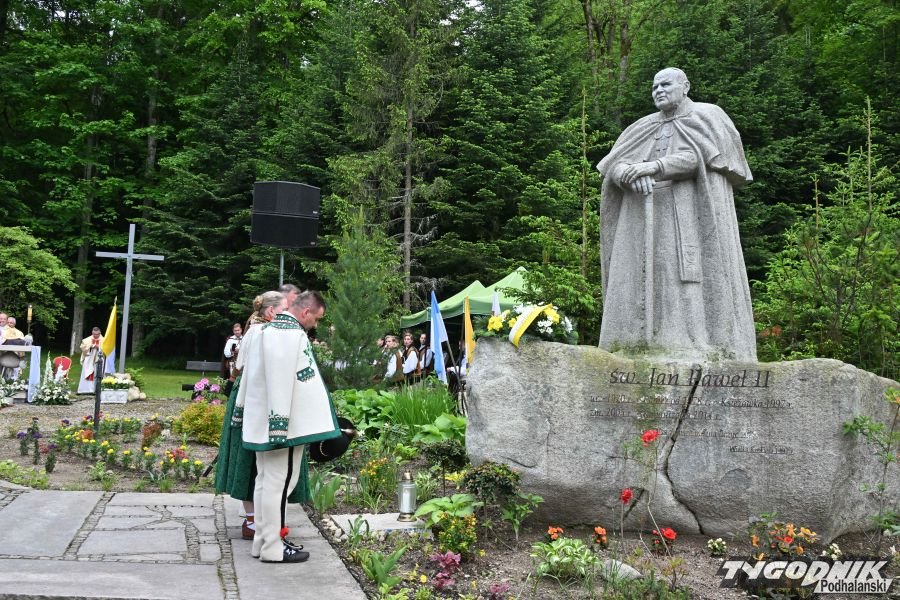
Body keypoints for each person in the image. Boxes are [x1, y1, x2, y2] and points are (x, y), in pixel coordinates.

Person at [595, 67, 756, 361]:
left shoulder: (708, 115)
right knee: (641, 274)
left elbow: (703, 156)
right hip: (639, 219)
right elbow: (613, 165)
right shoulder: (641, 126)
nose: (658, 90)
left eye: (666, 84)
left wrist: (653, 167)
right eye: (654, 86)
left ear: (686, 86)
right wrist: (628, 176)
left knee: (681, 274)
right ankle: (632, 343)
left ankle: (688, 344)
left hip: (684, 214)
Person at [241, 291, 340, 563]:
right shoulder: (289, 335)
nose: (315, 325)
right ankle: (274, 546)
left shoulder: (264, 331)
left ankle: (262, 542)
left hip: (264, 421)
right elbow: (280, 381)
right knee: (279, 484)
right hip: (284, 427)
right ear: (306, 312)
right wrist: (279, 426)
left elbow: (249, 376)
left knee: (265, 482)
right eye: (316, 319)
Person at [215, 292, 291, 542]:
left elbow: (239, 367)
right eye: (284, 310)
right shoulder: (263, 333)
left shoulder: (254, 331)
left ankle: (253, 518)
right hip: (255, 396)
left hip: (247, 392)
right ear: (271, 312)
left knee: (252, 456)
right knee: (254, 456)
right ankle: (255, 520)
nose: (288, 315)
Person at [78, 327, 104, 394]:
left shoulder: (103, 340)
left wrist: (99, 348)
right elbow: (82, 348)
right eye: (94, 334)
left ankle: (95, 390)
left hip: (98, 360)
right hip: (88, 359)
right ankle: (84, 390)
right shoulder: (87, 340)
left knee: (97, 373)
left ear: (100, 333)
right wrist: (90, 347)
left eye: (97, 334)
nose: (95, 336)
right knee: (86, 372)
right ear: (92, 333)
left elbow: (106, 349)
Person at [221, 322, 243, 393]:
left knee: (242, 379)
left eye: (238, 330)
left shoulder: (245, 339)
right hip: (233, 362)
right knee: (233, 379)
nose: (237, 332)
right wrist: (233, 352)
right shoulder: (230, 340)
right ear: (233, 331)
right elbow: (226, 353)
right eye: (235, 330)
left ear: (241, 330)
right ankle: (232, 394)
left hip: (243, 363)